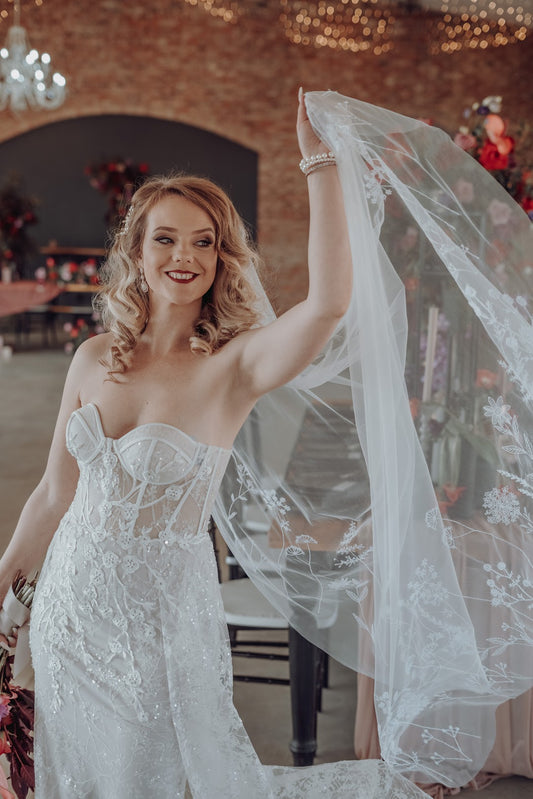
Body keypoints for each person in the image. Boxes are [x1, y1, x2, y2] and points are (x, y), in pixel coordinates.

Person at [0, 91, 428, 798]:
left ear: (222, 257)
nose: (184, 256)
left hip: (161, 628)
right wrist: (5, 593)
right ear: (136, 252)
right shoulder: (93, 356)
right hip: (72, 616)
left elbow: (327, 303)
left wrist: (317, 161)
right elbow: (54, 492)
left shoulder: (235, 366)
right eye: (165, 238)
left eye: (204, 241)